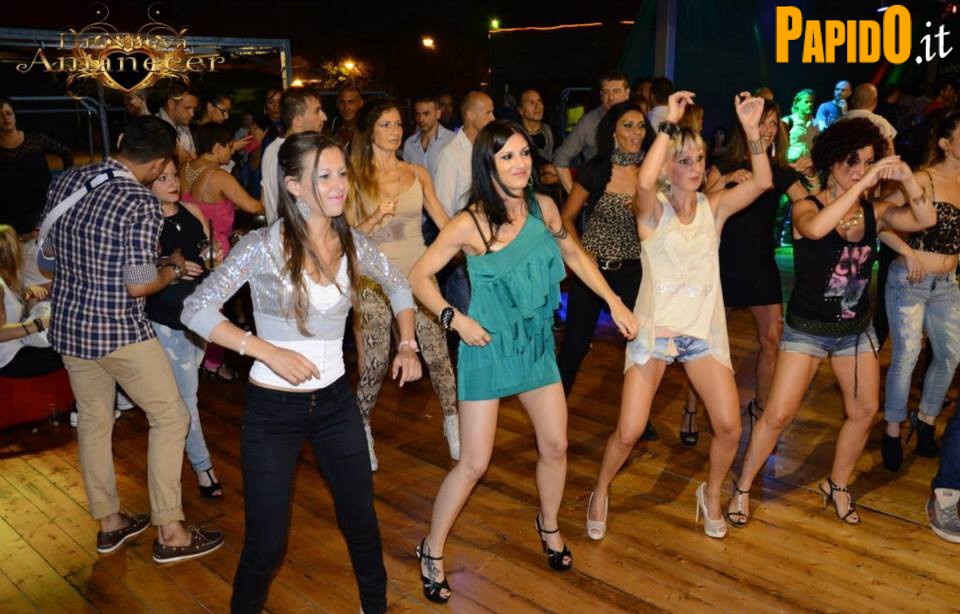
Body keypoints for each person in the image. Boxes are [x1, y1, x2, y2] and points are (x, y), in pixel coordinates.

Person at [182, 131, 420, 614]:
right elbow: (196, 308)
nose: (339, 186)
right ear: (293, 185)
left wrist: (408, 342)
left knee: (362, 524)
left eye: (342, 174)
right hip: (273, 412)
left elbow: (399, 285)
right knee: (267, 543)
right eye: (324, 176)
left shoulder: (352, 243)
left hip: (335, 405)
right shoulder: (262, 246)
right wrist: (264, 350)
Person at [408, 120, 637, 602]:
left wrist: (614, 301)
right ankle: (432, 548)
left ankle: (549, 525)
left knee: (556, 445)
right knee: (474, 463)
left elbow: (576, 255)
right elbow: (419, 275)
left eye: (524, 153)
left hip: (534, 345)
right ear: (488, 164)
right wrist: (455, 319)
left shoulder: (544, 207)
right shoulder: (469, 223)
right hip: (486, 350)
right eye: (507, 156)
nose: (520, 164)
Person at [728, 117, 936, 527]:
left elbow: (925, 219)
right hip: (807, 330)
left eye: (868, 162)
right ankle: (743, 487)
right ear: (831, 162)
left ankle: (837, 484)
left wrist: (908, 179)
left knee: (864, 411)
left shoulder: (876, 212)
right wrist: (863, 184)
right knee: (778, 415)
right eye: (851, 161)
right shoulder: (806, 206)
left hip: (854, 333)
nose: (860, 169)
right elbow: (816, 229)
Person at [586, 91, 772, 542]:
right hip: (655, 335)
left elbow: (763, 182)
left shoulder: (714, 209)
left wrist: (751, 130)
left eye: (699, 159)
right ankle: (600, 489)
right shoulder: (652, 212)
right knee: (629, 431)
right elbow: (644, 182)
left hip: (701, 335)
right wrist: (669, 124)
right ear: (669, 166)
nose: (694, 167)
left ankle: (711, 494)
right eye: (684, 160)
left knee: (729, 426)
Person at [39, 115, 223, 563]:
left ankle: (110, 522)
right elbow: (139, 284)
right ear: (158, 163)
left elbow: (46, 259)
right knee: (171, 416)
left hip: (70, 325)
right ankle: (172, 531)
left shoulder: (72, 180)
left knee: (95, 420)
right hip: (119, 330)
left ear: (121, 141)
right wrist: (173, 269)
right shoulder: (138, 201)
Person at [346, 99, 458, 468]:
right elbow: (346, 238)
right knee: (376, 361)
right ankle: (361, 427)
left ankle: (453, 422)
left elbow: (444, 223)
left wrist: (475, 245)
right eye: (386, 125)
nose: (395, 132)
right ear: (369, 131)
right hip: (372, 277)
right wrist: (375, 217)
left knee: (438, 354)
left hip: (417, 274)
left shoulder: (417, 173)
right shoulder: (352, 177)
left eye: (397, 124)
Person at [702, 98, 807, 441]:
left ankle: (761, 408)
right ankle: (694, 408)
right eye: (763, 122)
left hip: (761, 263)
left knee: (772, 338)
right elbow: (700, 206)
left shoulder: (780, 171)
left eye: (774, 123)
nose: (768, 129)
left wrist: (814, 178)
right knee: (707, 343)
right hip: (723, 263)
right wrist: (728, 178)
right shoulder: (724, 163)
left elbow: (808, 204)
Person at [881, 110, 960, 470]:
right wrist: (907, 250)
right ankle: (893, 429)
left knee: (950, 356)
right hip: (910, 282)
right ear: (945, 143)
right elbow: (879, 218)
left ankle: (925, 420)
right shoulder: (921, 179)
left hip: (947, 284)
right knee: (907, 355)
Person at [144, 159, 223, 498]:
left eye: (174, 176)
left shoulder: (191, 211)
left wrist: (214, 255)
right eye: (163, 178)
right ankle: (204, 467)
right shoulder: (145, 222)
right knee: (187, 397)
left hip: (201, 313)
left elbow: (208, 256)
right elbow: (138, 275)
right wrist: (169, 266)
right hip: (168, 318)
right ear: (147, 183)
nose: (172, 182)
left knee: (187, 394)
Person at [556, 101, 647, 395]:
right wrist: (583, 255)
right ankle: (553, 409)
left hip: (634, 270)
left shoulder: (651, 171)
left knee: (642, 345)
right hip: (593, 271)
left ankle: (637, 414)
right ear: (613, 131)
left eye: (641, 126)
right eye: (628, 125)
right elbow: (566, 218)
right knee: (575, 346)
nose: (636, 132)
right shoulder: (595, 169)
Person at [180, 122, 263, 381]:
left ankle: (196, 359)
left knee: (197, 301)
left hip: (190, 246)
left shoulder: (185, 169)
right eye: (229, 147)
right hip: (215, 250)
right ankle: (214, 362)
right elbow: (253, 206)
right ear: (217, 147)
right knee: (217, 305)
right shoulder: (218, 176)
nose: (231, 152)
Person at [433, 91, 495, 313]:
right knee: (468, 317)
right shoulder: (451, 155)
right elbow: (442, 206)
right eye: (488, 112)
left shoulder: (489, 149)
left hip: (491, 247)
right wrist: (458, 249)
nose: (493, 118)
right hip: (465, 253)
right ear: (471, 115)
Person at [0, 97, 74, 237]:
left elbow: (66, 153)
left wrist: (65, 184)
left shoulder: (35, 140)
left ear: (14, 115)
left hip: (39, 210)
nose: (5, 118)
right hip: (7, 213)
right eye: (0, 115)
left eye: (8, 113)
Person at [554, 70, 631, 194]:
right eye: (606, 92)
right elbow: (560, 158)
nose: (611, 98)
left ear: (627, 93)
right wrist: (576, 197)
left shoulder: (637, 118)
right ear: (601, 95)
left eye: (616, 91)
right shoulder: (589, 122)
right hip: (599, 195)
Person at [261, 87, 328, 224]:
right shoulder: (300, 153)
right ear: (298, 122)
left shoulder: (270, 149)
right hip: (299, 233)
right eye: (317, 111)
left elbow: (264, 198)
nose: (324, 117)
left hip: (278, 232)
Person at [0, 224, 59, 378]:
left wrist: (31, 300)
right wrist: (40, 323)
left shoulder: (7, 280)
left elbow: (13, 315)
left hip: (18, 346)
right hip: (10, 359)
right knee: (78, 344)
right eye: (19, 242)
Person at [403, 94, 455, 177]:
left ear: (438, 114)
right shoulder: (409, 144)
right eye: (418, 114)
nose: (421, 119)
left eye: (426, 114)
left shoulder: (452, 140)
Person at [156, 82, 199, 166]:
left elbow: (193, 159)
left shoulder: (183, 125)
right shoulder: (154, 126)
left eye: (193, 109)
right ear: (171, 104)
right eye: (187, 108)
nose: (192, 114)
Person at [783, 88, 819, 163]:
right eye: (806, 102)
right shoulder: (788, 121)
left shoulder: (816, 124)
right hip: (791, 162)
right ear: (797, 103)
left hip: (808, 163)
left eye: (811, 102)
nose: (810, 104)